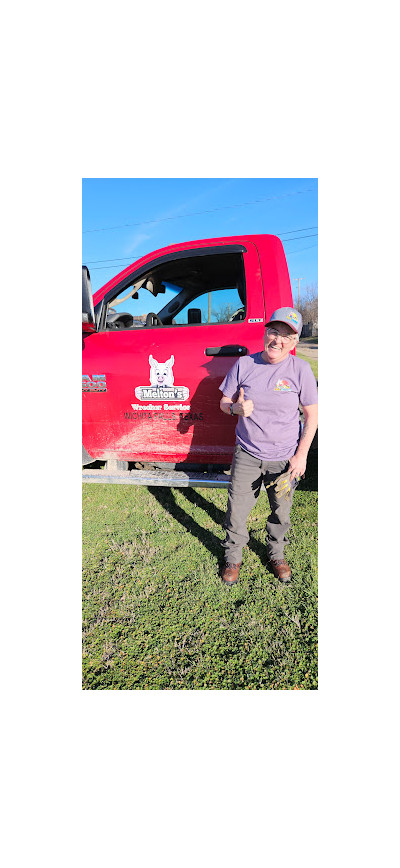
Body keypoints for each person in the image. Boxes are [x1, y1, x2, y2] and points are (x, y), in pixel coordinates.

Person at [219, 307, 318, 586]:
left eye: (286, 335)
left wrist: (301, 456)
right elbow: (223, 403)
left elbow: (313, 415)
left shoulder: (301, 369)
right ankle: (233, 557)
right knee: (237, 510)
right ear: (265, 333)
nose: (278, 340)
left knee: (281, 512)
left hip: (285, 460)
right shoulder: (245, 365)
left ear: (295, 342)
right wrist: (236, 408)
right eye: (274, 331)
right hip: (247, 454)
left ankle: (276, 554)